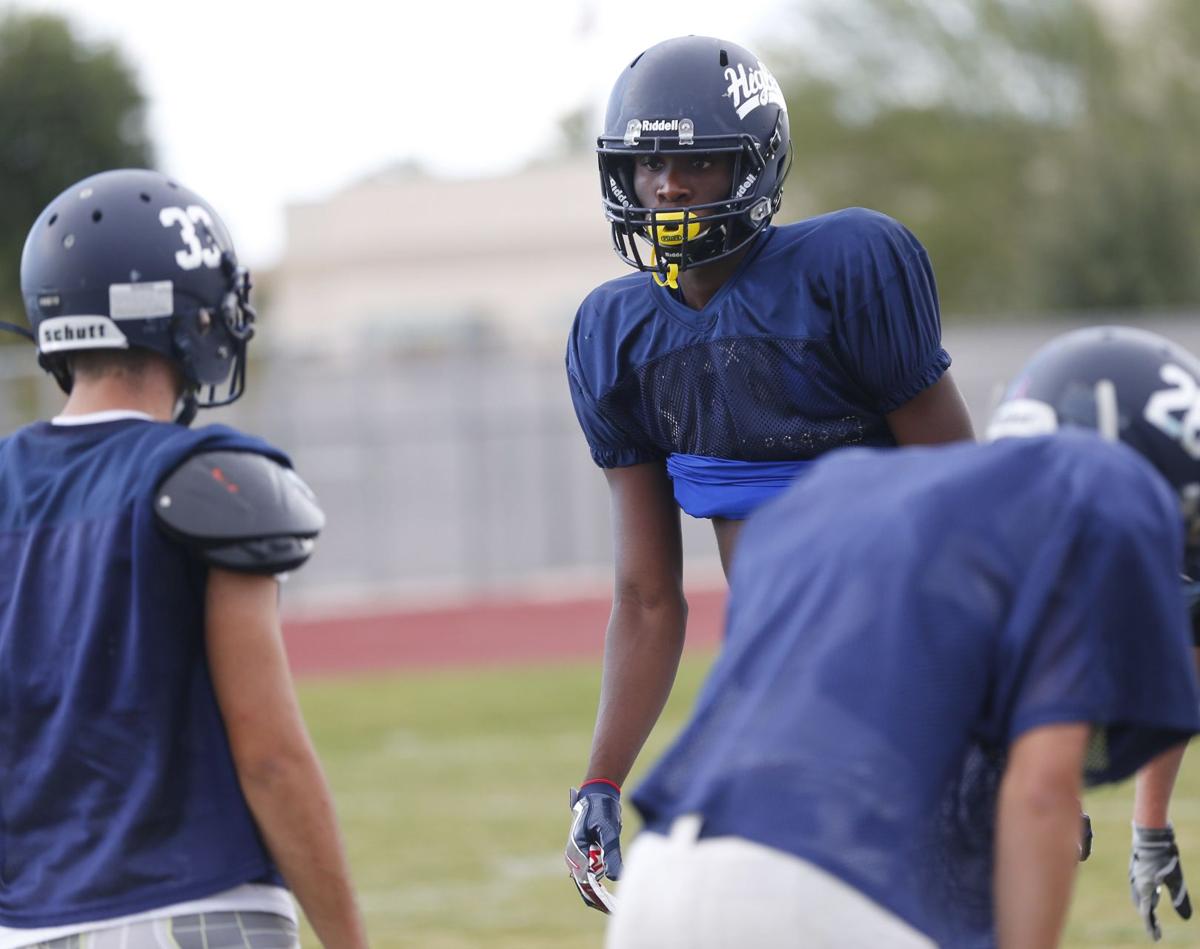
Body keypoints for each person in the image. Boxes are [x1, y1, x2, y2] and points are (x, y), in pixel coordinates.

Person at [603, 325, 1200, 948]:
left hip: (664, 879)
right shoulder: (1093, 495)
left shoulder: (846, 489)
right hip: (830, 893)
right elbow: (1042, 791)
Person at [563, 34, 975, 907]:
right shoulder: (616, 332)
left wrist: (999, 719)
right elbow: (646, 596)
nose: (667, 186)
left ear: (754, 163)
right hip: (778, 691)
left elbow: (967, 508)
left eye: (698, 161)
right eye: (647, 165)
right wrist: (599, 781)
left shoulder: (848, 266)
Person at [0, 170, 367, 947]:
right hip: (194, 904)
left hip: (26, 922)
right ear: (188, 315)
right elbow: (267, 750)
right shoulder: (207, 473)